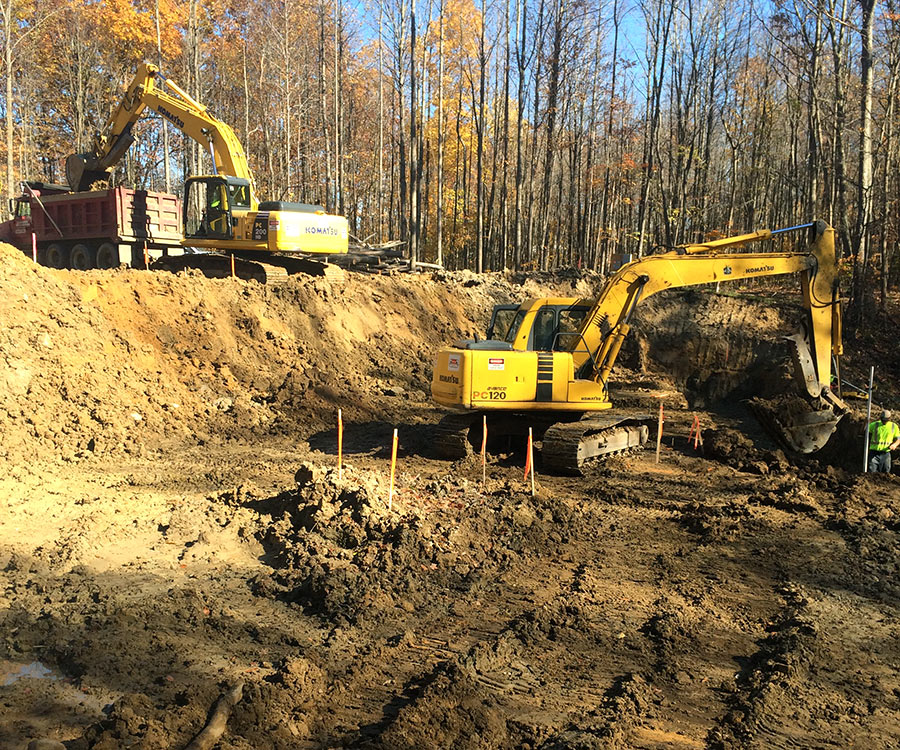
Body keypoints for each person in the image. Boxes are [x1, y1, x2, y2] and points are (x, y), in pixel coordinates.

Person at [868, 409, 900, 473]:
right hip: (874, 453)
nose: (884, 422)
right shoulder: (875, 425)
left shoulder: (893, 426)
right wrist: (865, 423)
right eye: (883, 420)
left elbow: (898, 439)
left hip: (886, 454)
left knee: (886, 473)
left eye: (886, 420)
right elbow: (864, 431)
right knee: (872, 473)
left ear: (889, 419)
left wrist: (895, 445)